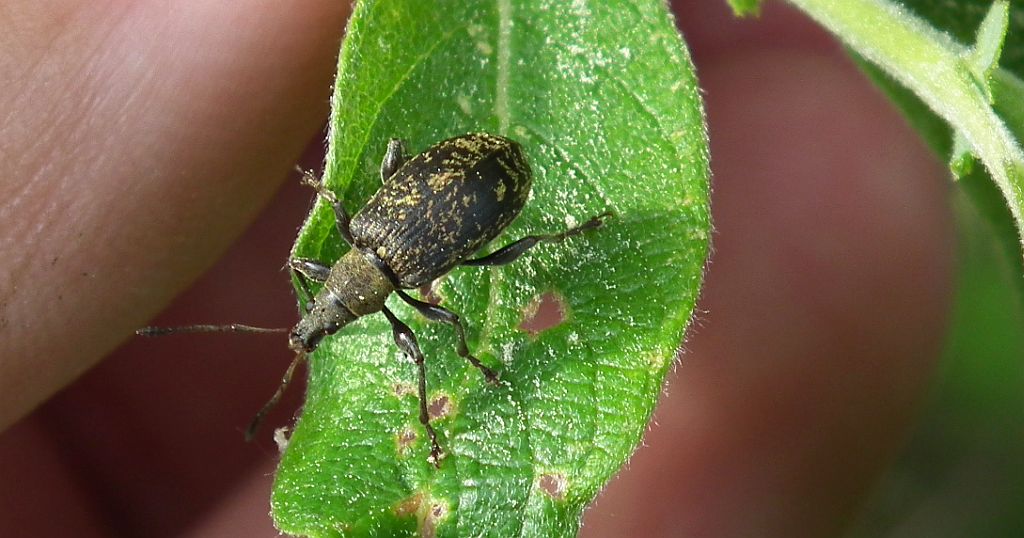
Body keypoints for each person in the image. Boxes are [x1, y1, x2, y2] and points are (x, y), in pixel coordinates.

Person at [0, 2, 950, 536]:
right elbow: (357, 267)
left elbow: (402, 287)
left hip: (485, 172)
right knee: (466, 289)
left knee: (478, 293)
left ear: (345, 294)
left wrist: (469, 368)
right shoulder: (363, 236)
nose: (321, 317)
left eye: (325, 314)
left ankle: (580, 231)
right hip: (462, 184)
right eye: (324, 316)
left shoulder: (373, 249)